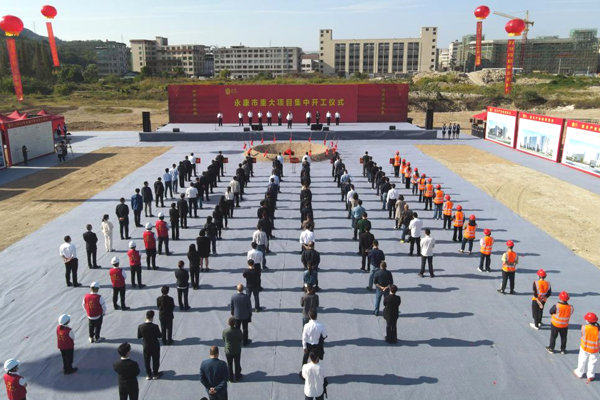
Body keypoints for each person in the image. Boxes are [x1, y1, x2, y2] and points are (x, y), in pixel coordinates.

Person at [574, 312, 599, 382]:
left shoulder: (584, 327)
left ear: (588, 321)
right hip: (595, 349)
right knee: (592, 362)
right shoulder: (598, 329)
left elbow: (582, 334)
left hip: (584, 347)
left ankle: (579, 372)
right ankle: (590, 375)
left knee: (582, 360)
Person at [137, 310, 162, 380]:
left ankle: (148, 374)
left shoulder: (141, 326)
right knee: (155, 359)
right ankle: (155, 374)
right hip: (155, 345)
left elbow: (139, 336)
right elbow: (159, 336)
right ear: (152, 317)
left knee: (147, 360)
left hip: (146, 345)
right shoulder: (155, 326)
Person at [222, 317, 243, 383]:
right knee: (237, 363)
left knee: (229, 364)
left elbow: (224, 339)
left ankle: (230, 378)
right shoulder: (238, 331)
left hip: (228, 351)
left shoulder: (225, 331)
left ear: (228, 323)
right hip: (237, 350)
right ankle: (237, 376)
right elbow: (240, 339)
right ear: (235, 323)